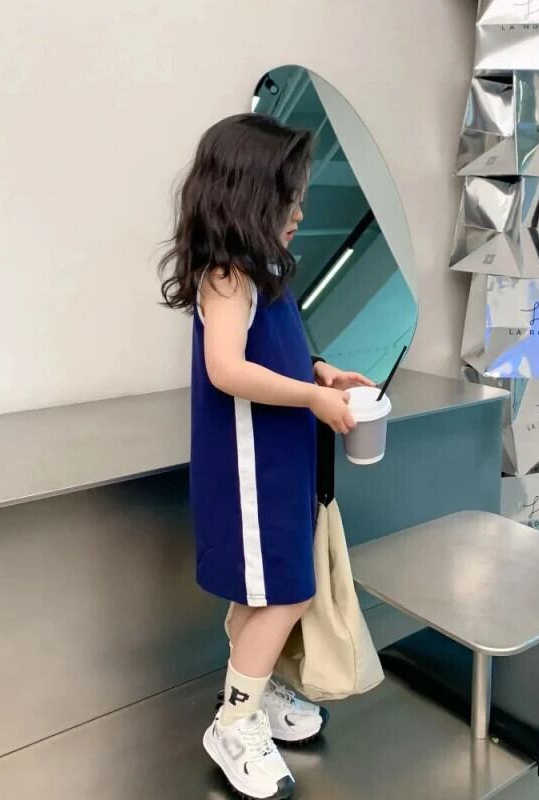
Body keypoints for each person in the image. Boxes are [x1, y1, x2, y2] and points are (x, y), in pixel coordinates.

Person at [158, 113, 374, 800]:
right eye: (290, 199)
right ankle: (234, 722)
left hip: (277, 464)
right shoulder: (227, 278)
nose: (300, 213)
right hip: (249, 472)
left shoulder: (266, 270)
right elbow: (227, 369)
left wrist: (319, 371)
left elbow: (270, 353)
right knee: (288, 590)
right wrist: (312, 399)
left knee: (271, 588)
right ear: (248, 198)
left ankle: (251, 689)